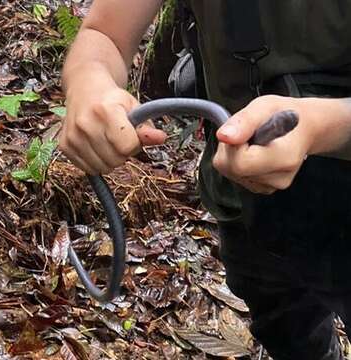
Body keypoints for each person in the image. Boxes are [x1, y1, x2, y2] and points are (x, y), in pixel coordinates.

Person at [60, 1, 351, 359]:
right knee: (284, 326)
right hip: (243, 209)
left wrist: (326, 128)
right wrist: (89, 85)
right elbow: (104, 35)